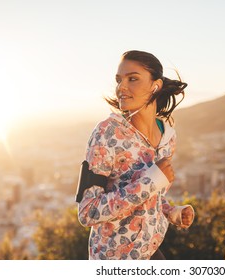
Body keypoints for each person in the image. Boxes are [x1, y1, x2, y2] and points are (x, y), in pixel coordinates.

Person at [76, 50, 194, 260]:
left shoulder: (167, 137)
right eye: (119, 80)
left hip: (152, 253)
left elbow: (151, 197)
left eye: (133, 79)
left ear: (155, 86)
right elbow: (88, 212)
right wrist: (150, 181)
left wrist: (170, 212)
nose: (121, 87)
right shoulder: (107, 133)